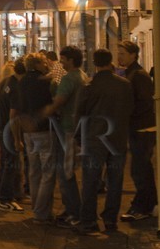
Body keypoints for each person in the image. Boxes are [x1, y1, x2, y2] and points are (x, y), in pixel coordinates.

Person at [74, 48, 135, 234]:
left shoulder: (89, 86)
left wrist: (78, 138)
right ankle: (110, 219)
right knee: (115, 181)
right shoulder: (124, 85)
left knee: (91, 181)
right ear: (110, 61)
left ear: (95, 63)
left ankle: (88, 220)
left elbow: (80, 114)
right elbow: (130, 109)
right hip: (117, 138)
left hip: (94, 138)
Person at [11, 54, 58, 222]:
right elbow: (52, 103)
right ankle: (42, 212)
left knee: (34, 171)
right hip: (44, 130)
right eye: (44, 62)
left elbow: (16, 109)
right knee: (48, 173)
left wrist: (17, 137)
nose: (46, 65)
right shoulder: (44, 82)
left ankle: (37, 207)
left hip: (27, 132)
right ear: (37, 64)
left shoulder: (21, 82)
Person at [118, 41, 158, 221]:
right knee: (141, 168)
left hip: (143, 128)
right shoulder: (131, 73)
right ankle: (149, 203)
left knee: (140, 169)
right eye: (119, 53)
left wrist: (128, 113)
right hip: (138, 127)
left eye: (123, 53)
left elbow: (145, 102)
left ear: (133, 55)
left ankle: (143, 206)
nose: (119, 57)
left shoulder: (139, 75)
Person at [50, 47, 89, 229]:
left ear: (71, 60)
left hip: (67, 128)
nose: (61, 63)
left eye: (63, 59)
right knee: (69, 169)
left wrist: (46, 111)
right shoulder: (82, 76)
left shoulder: (68, 79)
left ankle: (74, 211)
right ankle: (72, 209)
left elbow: (59, 101)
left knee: (65, 172)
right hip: (77, 128)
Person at [0, 61, 23, 210]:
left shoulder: (6, 81)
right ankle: (5, 198)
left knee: (5, 161)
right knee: (10, 163)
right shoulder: (16, 88)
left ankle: (0, 192)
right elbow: (13, 116)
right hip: (7, 129)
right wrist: (17, 139)